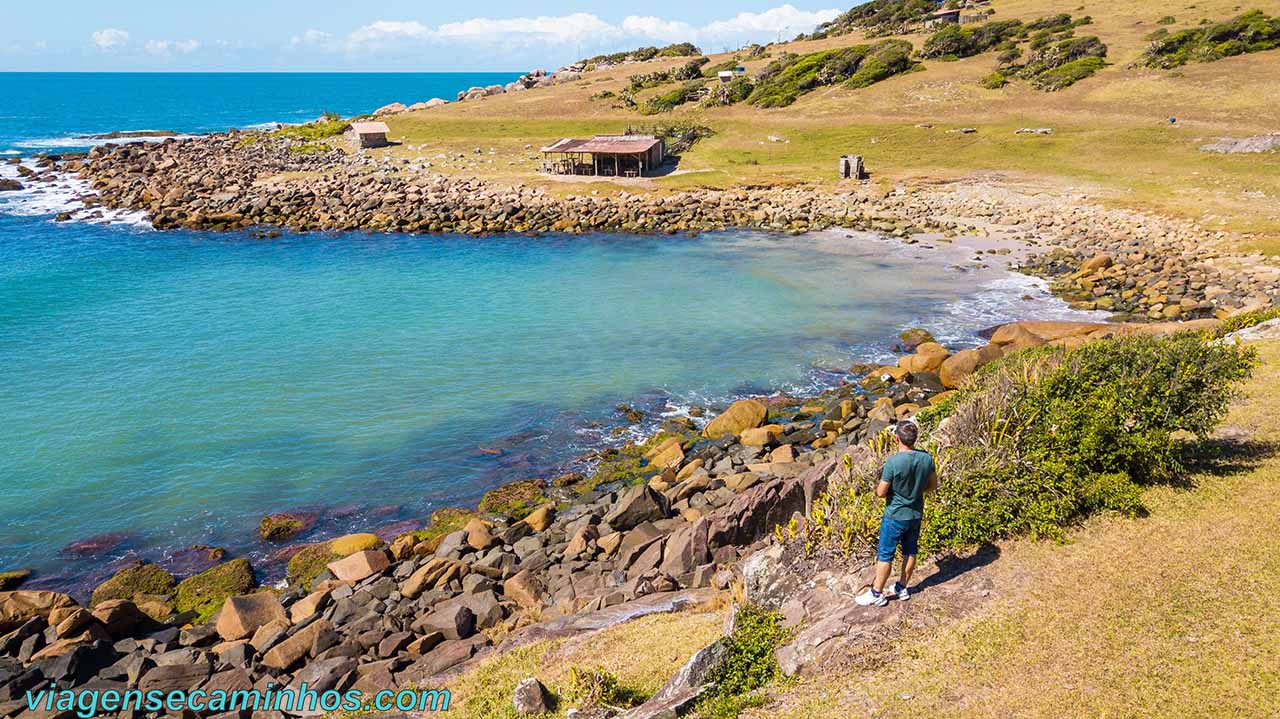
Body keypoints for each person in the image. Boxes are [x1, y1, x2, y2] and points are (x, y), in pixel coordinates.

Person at [855, 418, 938, 607]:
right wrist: (915, 492)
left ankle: (877, 593)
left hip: (895, 515)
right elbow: (933, 486)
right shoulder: (927, 458)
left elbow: (881, 492)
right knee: (910, 550)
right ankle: (902, 588)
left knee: (885, 554)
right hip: (916, 513)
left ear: (897, 439)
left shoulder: (893, 462)